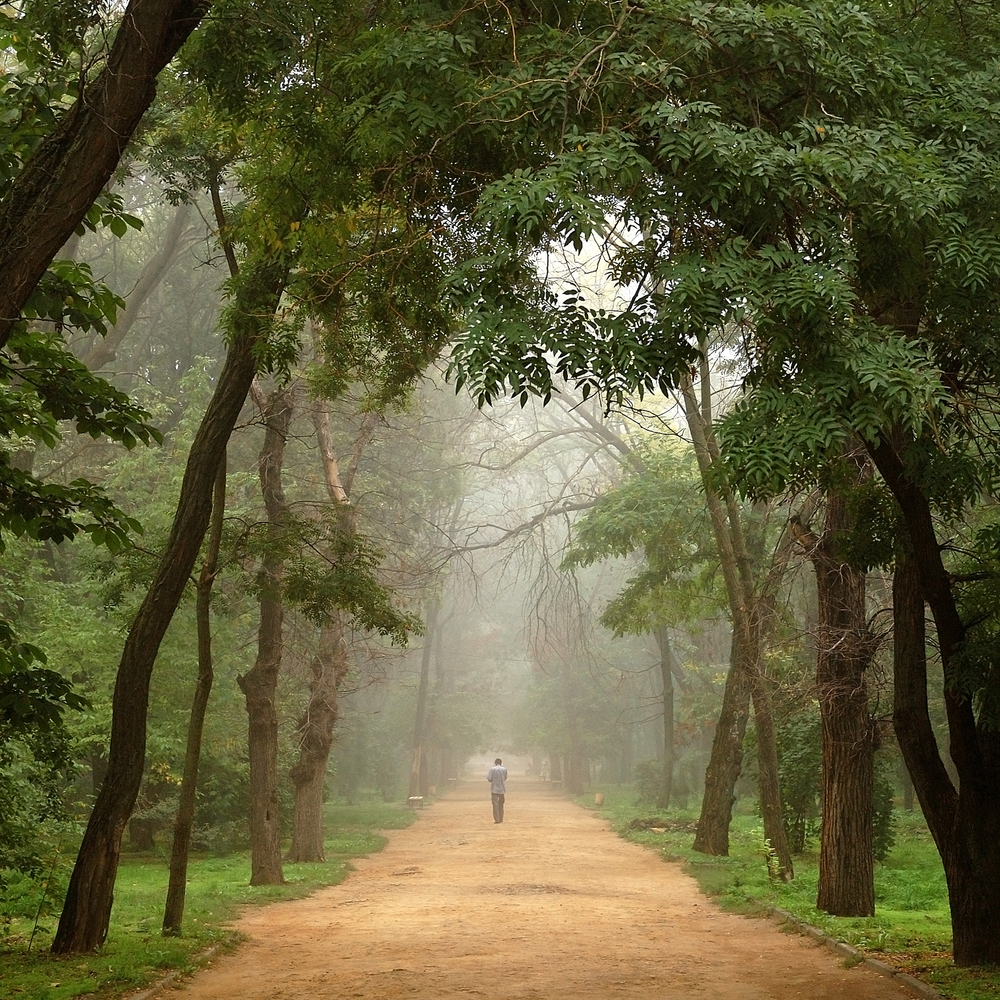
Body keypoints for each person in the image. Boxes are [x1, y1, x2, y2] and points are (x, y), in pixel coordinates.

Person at [487, 757, 508, 823]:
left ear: (495, 763)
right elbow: (505, 778)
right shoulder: (504, 769)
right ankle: (501, 818)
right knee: (501, 804)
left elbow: (489, 778)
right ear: (501, 763)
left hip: (494, 789)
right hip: (502, 789)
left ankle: (497, 819)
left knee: (495, 805)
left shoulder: (492, 769)